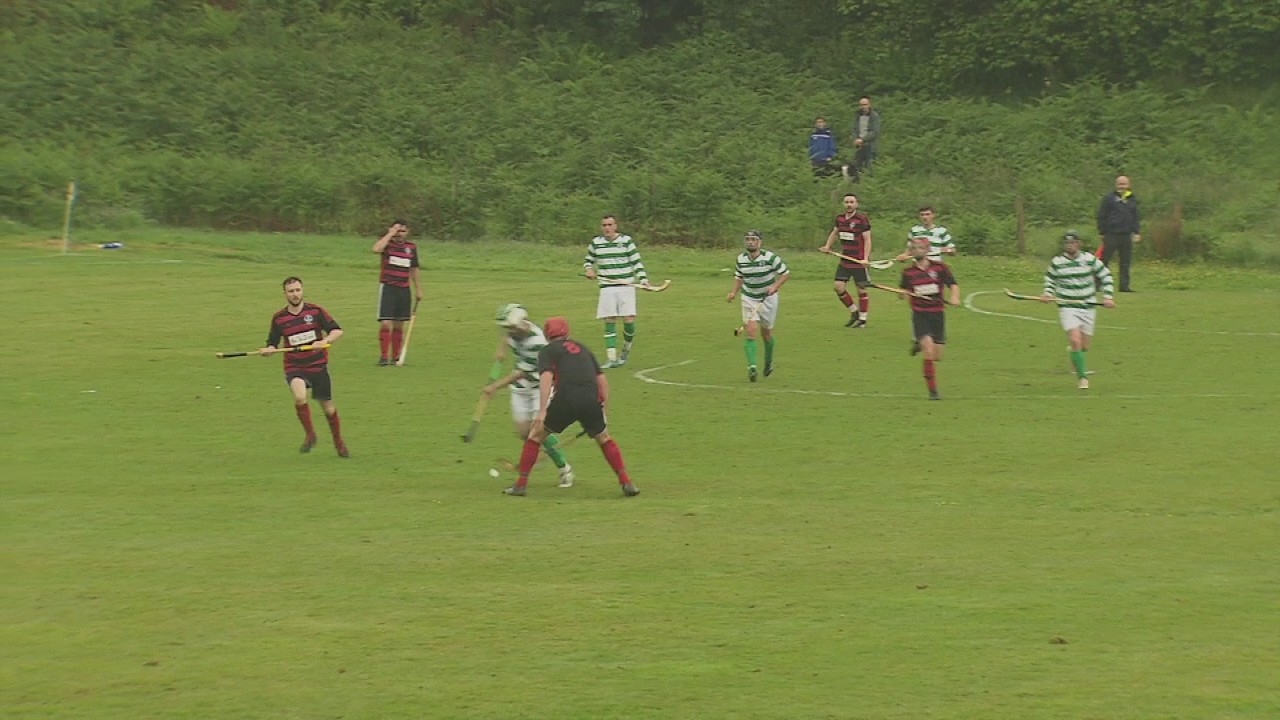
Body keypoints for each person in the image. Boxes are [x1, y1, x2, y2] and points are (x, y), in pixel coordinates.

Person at [503, 317, 639, 497]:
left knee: (535, 436)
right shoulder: (583, 348)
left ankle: (520, 485)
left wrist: (542, 411)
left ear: (546, 334)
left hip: (565, 399)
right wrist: (603, 410)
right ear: (567, 332)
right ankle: (626, 483)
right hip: (591, 400)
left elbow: (545, 379)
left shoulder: (547, 351)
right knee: (604, 438)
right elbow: (602, 380)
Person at [482, 304, 575, 488]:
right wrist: (502, 349)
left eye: (510, 327)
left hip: (539, 387)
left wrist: (494, 387)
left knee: (539, 430)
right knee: (524, 432)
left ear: (520, 325)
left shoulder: (537, 343)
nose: (508, 331)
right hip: (521, 388)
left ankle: (564, 469)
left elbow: (520, 373)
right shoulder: (515, 330)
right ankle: (538, 450)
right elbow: (507, 335)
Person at [260, 276, 349, 456]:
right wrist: (269, 350)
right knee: (300, 398)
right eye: (291, 291)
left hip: (318, 365)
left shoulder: (315, 311)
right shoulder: (279, 318)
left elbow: (337, 331)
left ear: (302, 290)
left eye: (298, 290)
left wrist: (324, 341)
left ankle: (338, 442)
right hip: (295, 366)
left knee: (328, 408)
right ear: (285, 294)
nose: (295, 294)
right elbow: (273, 342)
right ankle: (310, 435)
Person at [1041, 230, 1116, 390]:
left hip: (1088, 306)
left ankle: (1075, 353)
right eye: (1067, 243)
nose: (1070, 246)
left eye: (1073, 242)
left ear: (1079, 244)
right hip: (1067, 307)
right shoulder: (1057, 262)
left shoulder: (1089, 260)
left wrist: (1108, 297)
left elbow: (1106, 276)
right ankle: (1082, 378)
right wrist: (1047, 293)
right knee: (1075, 340)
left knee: (1084, 346)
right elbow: (1050, 279)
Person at [898, 237, 960, 400]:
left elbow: (952, 284)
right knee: (929, 352)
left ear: (927, 250)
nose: (916, 250)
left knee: (937, 356)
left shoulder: (940, 268)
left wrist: (954, 297)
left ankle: (919, 344)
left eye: (920, 248)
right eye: (914, 248)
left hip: (938, 313)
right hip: (920, 314)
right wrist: (902, 294)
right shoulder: (908, 272)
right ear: (911, 251)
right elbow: (902, 290)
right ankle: (933, 391)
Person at [583, 215, 648, 368]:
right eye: (604, 225)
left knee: (629, 320)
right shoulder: (596, 243)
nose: (607, 228)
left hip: (626, 286)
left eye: (609, 224)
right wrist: (589, 270)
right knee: (610, 320)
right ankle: (611, 358)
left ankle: (625, 351)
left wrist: (643, 280)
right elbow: (588, 260)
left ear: (615, 226)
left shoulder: (626, 241)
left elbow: (636, 261)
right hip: (607, 287)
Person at [726, 230, 790, 382]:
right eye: (747, 239)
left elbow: (786, 273)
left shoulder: (770, 258)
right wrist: (734, 292)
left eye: (753, 239)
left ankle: (768, 362)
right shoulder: (741, 259)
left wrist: (775, 286)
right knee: (751, 331)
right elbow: (739, 277)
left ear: (760, 242)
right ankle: (752, 368)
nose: (750, 242)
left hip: (768, 299)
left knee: (766, 333)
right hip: (749, 297)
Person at [371, 219, 423, 366]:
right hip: (388, 288)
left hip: (404, 289)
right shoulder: (387, 244)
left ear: (408, 232)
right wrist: (390, 234)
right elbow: (376, 249)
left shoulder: (411, 248)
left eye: (403, 231)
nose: (400, 234)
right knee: (386, 323)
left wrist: (418, 288)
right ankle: (383, 356)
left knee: (399, 324)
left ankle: (396, 357)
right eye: (398, 231)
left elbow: (414, 268)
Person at [819, 193, 873, 328]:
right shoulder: (840, 219)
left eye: (852, 202)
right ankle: (854, 312)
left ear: (856, 204)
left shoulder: (862, 219)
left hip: (859, 260)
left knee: (861, 290)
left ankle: (863, 319)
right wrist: (827, 246)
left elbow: (867, 239)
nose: (849, 204)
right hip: (845, 260)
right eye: (847, 202)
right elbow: (834, 232)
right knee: (839, 287)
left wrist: (865, 258)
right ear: (844, 204)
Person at [1096, 175, 1141, 292]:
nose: (1122, 186)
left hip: (1126, 235)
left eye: (1124, 184)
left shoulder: (1132, 198)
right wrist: (1102, 231)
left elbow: (1135, 216)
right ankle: (1097, 285)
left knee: (1125, 262)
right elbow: (1102, 215)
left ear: (1129, 185)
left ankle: (1124, 287)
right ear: (1116, 185)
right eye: (1120, 184)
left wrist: (1136, 232)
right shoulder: (1109, 198)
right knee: (1104, 260)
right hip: (1111, 234)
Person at [851, 95, 882, 178]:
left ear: (869, 105)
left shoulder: (874, 116)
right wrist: (855, 139)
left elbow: (875, 132)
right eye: (861, 105)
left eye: (865, 104)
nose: (863, 107)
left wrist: (862, 139)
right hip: (859, 145)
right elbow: (854, 129)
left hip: (870, 145)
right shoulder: (857, 115)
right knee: (857, 167)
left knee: (870, 167)